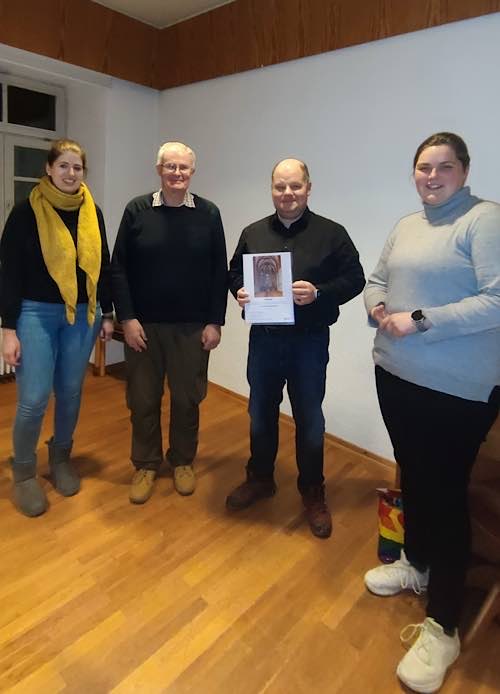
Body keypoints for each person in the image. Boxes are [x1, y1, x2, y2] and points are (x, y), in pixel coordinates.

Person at [363, 132, 500, 693]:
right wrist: (377, 307)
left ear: (464, 172)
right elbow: (377, 279)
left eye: (445, 166)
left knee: (444, 497)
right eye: (424, 167)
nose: (433, 175)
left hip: (456, 390)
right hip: (396, 376)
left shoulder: (484, 219)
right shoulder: (406, 224)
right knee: (415, 478)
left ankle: (444, 625)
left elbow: (497, 298)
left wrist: (417, 319)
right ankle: (416, 563)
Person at [226, 158, 365, 538]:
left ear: (308, 187)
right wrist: (238, 289)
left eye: (295, 186)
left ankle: (312, 491)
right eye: (280, 187)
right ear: (271, 189)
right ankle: (260, 479)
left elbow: (355, 278)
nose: (287, 194)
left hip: (309, 341)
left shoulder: (332, 233)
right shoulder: (253, 232)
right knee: (259, 413)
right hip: (265, 340)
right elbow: (235, 271)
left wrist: (320, 292)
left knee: (309, 419)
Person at [0, 138, 114, 517]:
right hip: (35, 313)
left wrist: (107, 313)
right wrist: (8, 329)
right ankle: (24, 473)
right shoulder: (25, 211)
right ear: (48, 168)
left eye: (77, 167)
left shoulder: (92, 211)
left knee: (70, 392)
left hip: (83, 314)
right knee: (33, 399)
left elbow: (104, 265)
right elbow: (9, 273)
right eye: (63, 165)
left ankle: (61, 456)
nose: (70, 173)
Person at [112, 141, 227, 503]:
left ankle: (181, 461)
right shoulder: (137, 210)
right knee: (143, 399)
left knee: (187, 398)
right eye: (170, 167)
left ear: (192, 172)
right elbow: (119, 268)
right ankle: (146, 464)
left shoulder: (208, 213)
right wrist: (127, 319)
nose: (177, 173)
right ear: (158, 169)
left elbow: (218, 272)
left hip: (192, 327)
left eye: (184, 168)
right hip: (143, 327)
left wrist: (215, 322)